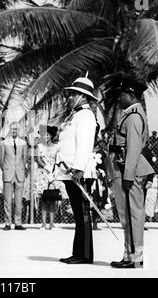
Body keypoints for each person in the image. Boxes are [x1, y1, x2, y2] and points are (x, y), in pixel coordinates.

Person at [109, 74, 154, 268]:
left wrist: (128, 176)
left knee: (134, 214)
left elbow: (134, 148)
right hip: (124, 169)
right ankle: (129, 255)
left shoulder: (134, 117)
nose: (118, 98)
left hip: (130, 171)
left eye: (121, 94)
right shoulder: (129, 114)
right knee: (127, 214)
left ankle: (135, 258)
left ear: (131, 95)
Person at [55, 74, 98, 265]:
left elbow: (85, 145)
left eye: (74, 94)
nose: (70, 97)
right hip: (70, 172)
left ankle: (85, 255)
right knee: (78, 216)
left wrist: (79, 169)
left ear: (84, 96)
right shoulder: (76, 115)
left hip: (79, 173)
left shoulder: (87, 116)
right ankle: (78, 252)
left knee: (83, 216)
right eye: (71, 94)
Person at [34, 125, 67, 230]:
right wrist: (46, 167)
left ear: (51, 136)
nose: (46, 137)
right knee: (44, 199)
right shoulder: (39, 146)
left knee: (53, 198)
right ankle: (43, 223)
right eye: (44, 135)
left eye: (48, 135)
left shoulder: (56, 147)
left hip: (53, 174)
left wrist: (53, 170)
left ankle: (52, 223)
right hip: (43, 173)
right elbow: (38, 160)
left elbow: (59, 160)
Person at [0, 121, 28, 230]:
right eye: (12, 129)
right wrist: (5, 169)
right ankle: (7, 223)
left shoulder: (23, 143)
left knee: (19, 200)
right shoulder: (4, 143)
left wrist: (21, 168)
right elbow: (0, 159)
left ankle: (18, 222)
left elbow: (25, 158)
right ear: (9, 130)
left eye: (16, 129)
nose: (14, 131)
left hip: (19, 173)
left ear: (18, 130)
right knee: (7, 200)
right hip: (8, 173)